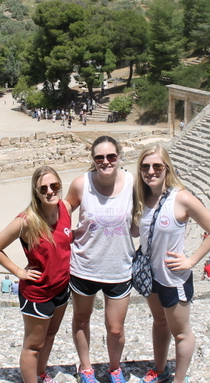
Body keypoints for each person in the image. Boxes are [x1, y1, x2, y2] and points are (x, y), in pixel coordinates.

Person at [135, 145, 210, 383]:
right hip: (150, 275)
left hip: (173, 277)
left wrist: (192, 260)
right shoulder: (144, 199)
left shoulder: (181, 198)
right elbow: (138, 231)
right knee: (159, 321)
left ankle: (179, 379)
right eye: (145, 167)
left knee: (181, 333)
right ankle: (160, 369)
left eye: (157, 166)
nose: (151, 171)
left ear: (167, 168)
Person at [0, 166, 74, 383]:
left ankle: (41, 374)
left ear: (60, 186)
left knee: (50, 336)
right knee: (33, 345)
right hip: (38, 293)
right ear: (36, 192)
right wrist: (19, 271)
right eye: (43, 188)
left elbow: (63, 241)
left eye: (54, 186)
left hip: (61, 288)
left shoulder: (64, 208)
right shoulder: (26, 221)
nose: (49, 191)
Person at [66, 136, 138, 383]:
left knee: (116, 328)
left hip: (119, 267)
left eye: (111, 156)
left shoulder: (132, 183)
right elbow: (62, 213)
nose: (105, 161)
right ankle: (86, 369)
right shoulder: (80, 184)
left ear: (119, 156)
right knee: (81, 319)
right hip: (84, 266)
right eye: (99, 157)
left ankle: (114, 369)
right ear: (93, 159)